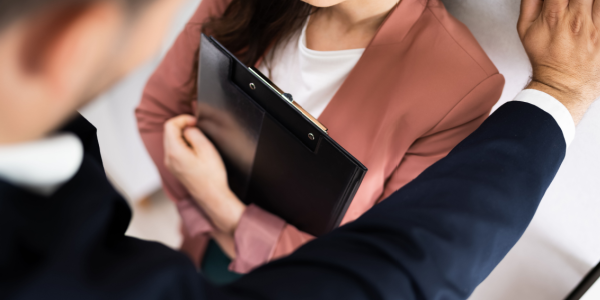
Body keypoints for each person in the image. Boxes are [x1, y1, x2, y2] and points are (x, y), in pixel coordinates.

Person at [0, 0, 598, 299]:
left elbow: (366, 247)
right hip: (198, 248)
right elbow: (157, 112)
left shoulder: (459, 84)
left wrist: (226, 210)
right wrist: (208, 218)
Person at [135, 0, 507, 280]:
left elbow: (368, 268)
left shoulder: (459, 85)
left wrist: (219, 206)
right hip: (195, 255)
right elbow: (156, 112)